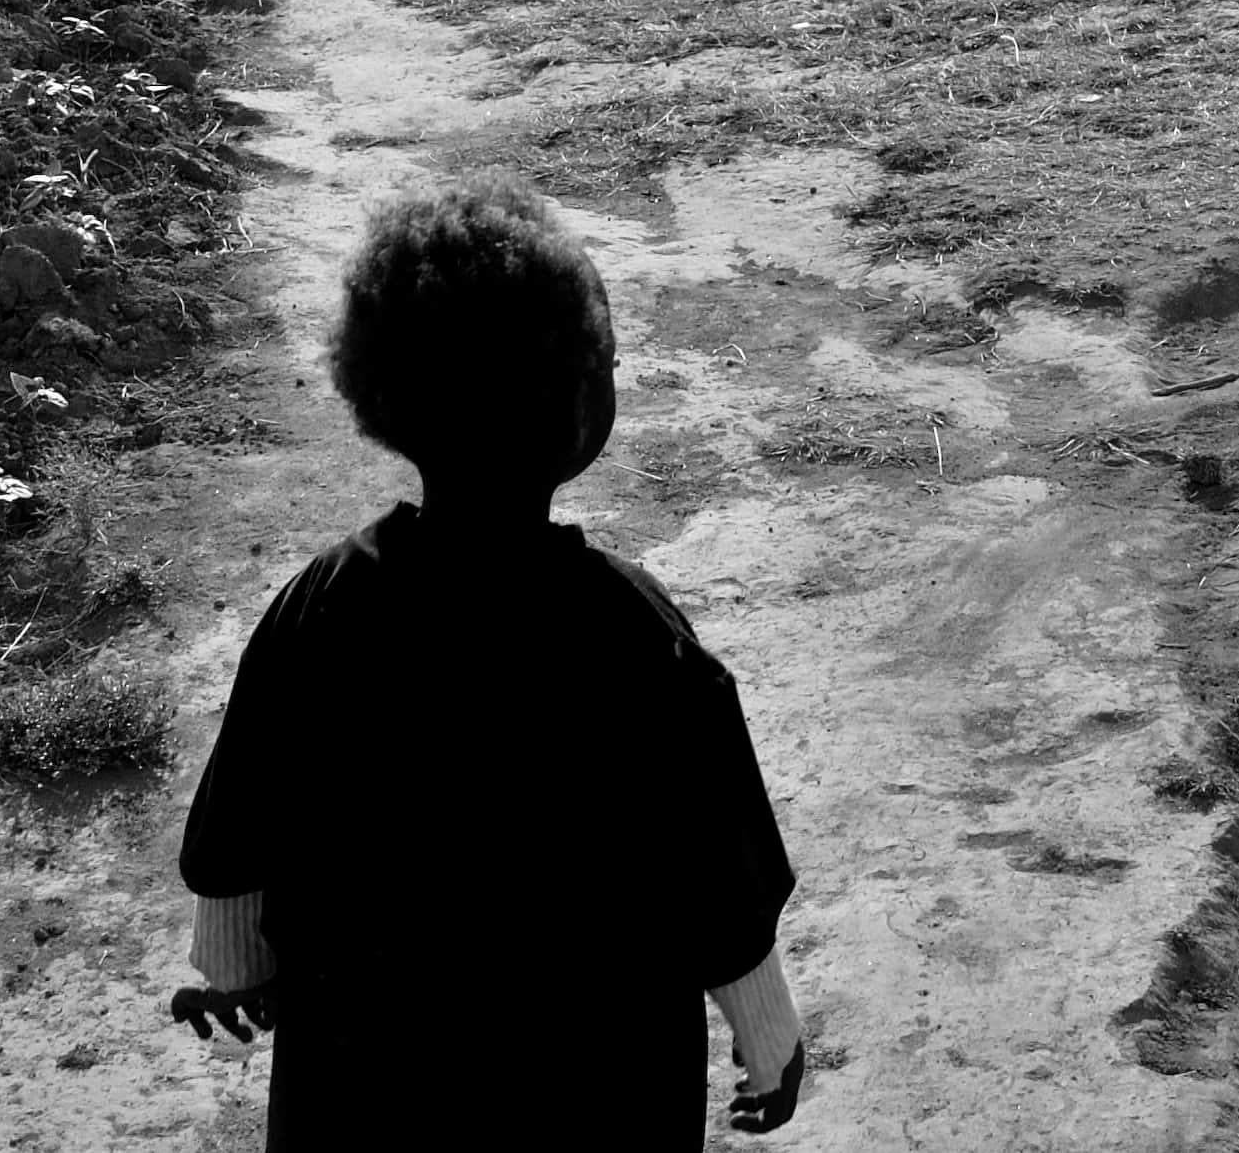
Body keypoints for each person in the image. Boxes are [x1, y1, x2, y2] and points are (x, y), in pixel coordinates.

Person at [174, 177, 805, 1146]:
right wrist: (769, 1037)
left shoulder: (322, 606)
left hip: (364, 1086)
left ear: (378, 391)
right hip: (592, 1088)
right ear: (582, 406)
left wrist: (237, 972)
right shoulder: (637, 637)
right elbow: (719, 886)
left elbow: (239, 838)